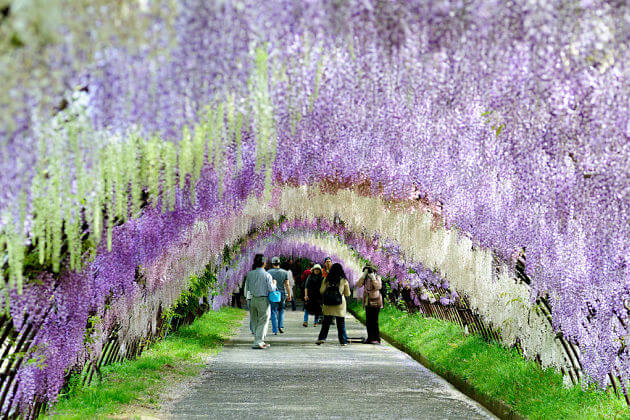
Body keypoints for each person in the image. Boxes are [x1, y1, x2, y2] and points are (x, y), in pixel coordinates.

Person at [244, 254, 277, 349]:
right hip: (263, 299)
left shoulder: (250, 274)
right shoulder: (267, 275)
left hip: (253, 299)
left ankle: (259, 340)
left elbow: (248, 288)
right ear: (264, 263)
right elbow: (271, 289)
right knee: (263, 319)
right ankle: (258, 341)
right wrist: (274, 283)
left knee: (254, 319)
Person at [316, 263, 351, 346]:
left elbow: (321, 291)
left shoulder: (326, 279)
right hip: (340, 304)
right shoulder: (343, 280)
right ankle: (343, 341)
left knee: (326, 323)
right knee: (341, 323)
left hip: (328, 303)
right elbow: (347, 294)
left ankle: (322, 338)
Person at [356, 265, 382, 344]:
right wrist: (363, 276)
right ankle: (370, 338)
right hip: (367, 301)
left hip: (375, 302)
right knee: (368, 321)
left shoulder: (377, 277)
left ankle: (377, 338)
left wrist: (373, 278)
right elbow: (359, 285)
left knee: (374, 320)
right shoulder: (365, 278)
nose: (369, 272)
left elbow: (378, 287)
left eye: (370, 270)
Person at [268, 256, 292, 334]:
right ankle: (280, 326)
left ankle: (275, 330)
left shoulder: (268, 272)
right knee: (281, 310)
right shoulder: (284, 272)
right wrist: (289, 295)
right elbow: (287, 285)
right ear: (279, 263)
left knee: (273, 311)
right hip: (281, 293)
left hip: (272, 294)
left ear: (272, 264)